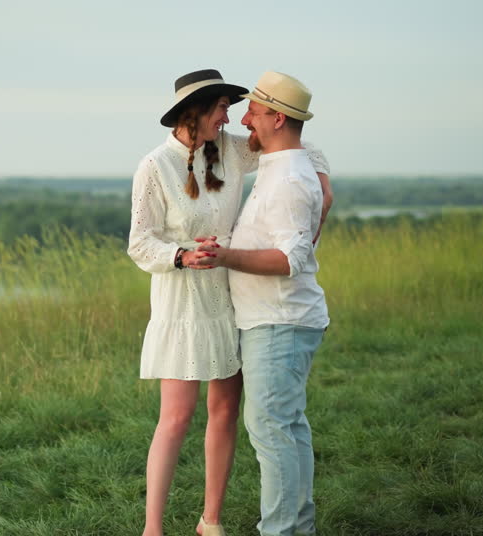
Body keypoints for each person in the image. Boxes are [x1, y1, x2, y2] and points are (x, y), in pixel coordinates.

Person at [128, 69, 332, 536]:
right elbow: (140, 244)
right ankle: (152, 529)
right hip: (182, 300)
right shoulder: (154, 166)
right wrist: (180, 255)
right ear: (195, 111)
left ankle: (211, 521)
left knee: (225, 412)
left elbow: (297, 145)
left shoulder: (233, 154)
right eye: (223, 107)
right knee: (176, 417)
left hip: (232, 296)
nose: (232, 117)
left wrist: (323, 182)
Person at [194, 71, 330, 536]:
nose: (244, 119)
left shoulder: (290, 179)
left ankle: (283, 530)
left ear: (277, 116)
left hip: (281, 321)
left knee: (274, 432)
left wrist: (225, 256)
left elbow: (291, 258)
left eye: (253, 111)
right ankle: (293, 527)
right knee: (284, 429)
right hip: (272, 321)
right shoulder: (281, 163)